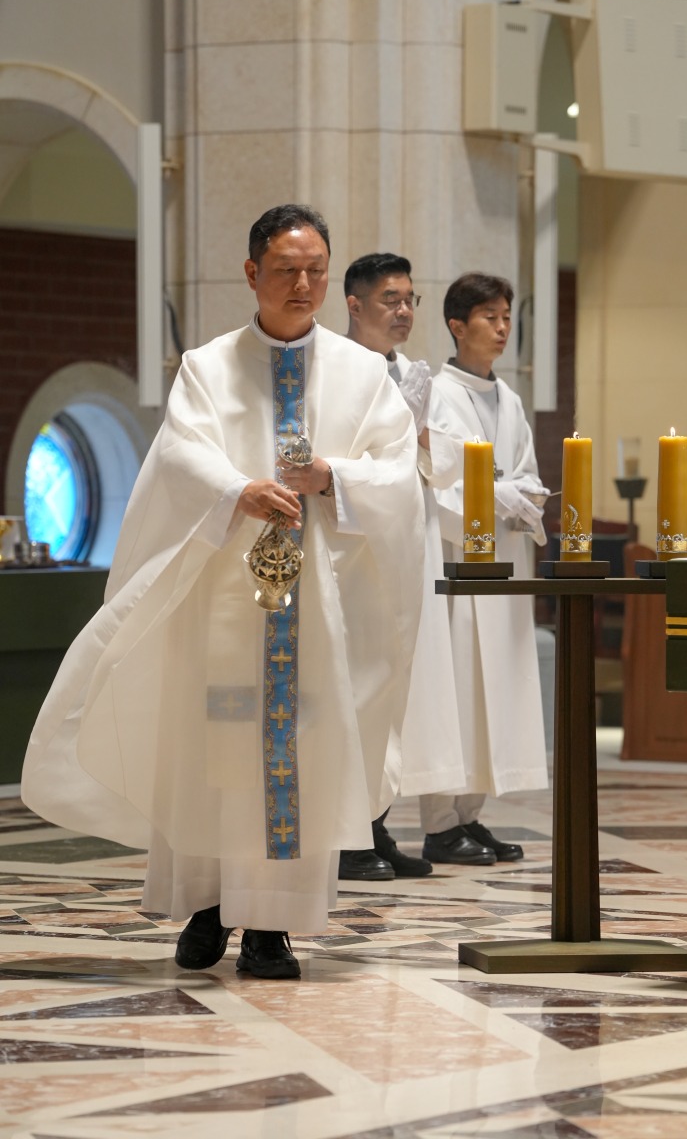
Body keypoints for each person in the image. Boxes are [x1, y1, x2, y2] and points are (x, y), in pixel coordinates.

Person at [21, 204, 424, 979]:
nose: (303, 284)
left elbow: (398, 473)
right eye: (287, 270)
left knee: (297, 757)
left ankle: (270, 927)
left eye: (315, 270)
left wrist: (332, 477)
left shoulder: (363, 374)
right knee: (215, 751)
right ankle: (208, 905)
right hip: (223, 601)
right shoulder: (207, 367)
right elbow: (179, 454)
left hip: (318, 611)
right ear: (251, 272)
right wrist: (238, 489)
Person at [342, 252, 466, 879]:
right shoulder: (334, 370)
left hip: (410, 546)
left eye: (411, 299)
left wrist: (418, 436)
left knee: (398, 689)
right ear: (354, 305)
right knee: (357, 689)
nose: (404, 311)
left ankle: (375, 823)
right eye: (391, 299)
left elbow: (446, 463)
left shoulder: (414, 375)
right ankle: (346, 834)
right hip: (356, 549)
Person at [421, 272, 549, 865]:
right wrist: (502, 495)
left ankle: (469, 817)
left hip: (506, 562)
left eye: (506, 317)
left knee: (493, 686)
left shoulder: (511, 401)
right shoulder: (436, 395)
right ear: (457, 324)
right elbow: (437, 484)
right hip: (460, 563)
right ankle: (440, 824)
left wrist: (515, 496)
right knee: (457, 688)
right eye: (489, 317)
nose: (502, 329)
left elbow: (527, 477)